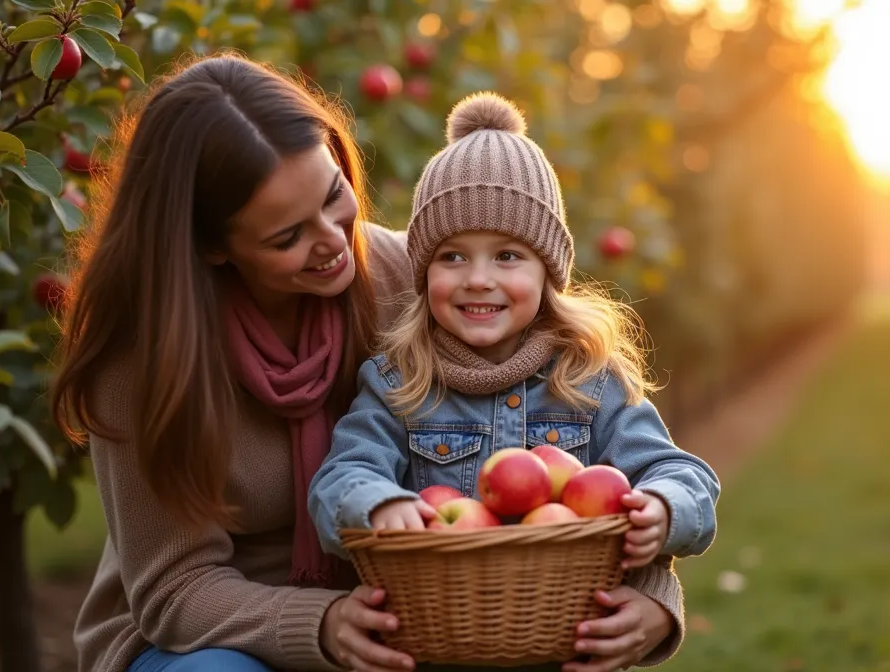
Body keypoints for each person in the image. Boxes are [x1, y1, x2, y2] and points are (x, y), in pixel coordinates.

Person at [51, 53, 689, 672]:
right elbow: (175, 592)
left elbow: (606, 459)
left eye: (334, 196)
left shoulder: (415, 281)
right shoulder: (144, 360)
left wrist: (652, 597)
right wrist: (323, 625)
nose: (333, 243)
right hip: (211, 635)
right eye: (287, 235)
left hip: (407, 615)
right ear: (214, 246)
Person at [308, 92, 721, 671]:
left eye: (507, 256)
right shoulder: (398, 383)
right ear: (423, 270)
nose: (478, 279)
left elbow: (683, 473)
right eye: (451, 256)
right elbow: (341, 475)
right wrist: (378, 505)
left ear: (548, 271)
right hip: (437, 648)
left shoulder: (589, 379)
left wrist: (662, 507)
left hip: (560, 647)